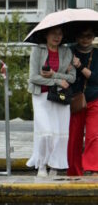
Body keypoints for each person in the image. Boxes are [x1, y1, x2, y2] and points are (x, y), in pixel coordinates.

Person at [26, 26, 75, 178]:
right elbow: (34, 77)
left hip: (59, 98)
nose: (57, 36)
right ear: (46, 35)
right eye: (53, 33)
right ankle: (41, 164)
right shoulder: (37, 51)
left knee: (60, 135)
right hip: (41, 96)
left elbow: (72, 77)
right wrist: (58, 80)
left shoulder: (67, 51)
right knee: (46, 133)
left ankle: (55, 166)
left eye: (60, 34)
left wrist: (54, 75)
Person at [67, 26, 97, 176]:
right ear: (76, 37)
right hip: (75, 99)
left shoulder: (96, 53)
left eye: (89, 36)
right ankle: (74, 170)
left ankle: (93, 168)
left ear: (93, 37)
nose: (85, 39)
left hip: (94, 99)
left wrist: (80, 66)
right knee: (74, 136)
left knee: (93, 135)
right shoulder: (69, 51)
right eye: (81, 35)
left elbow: (96, 78)